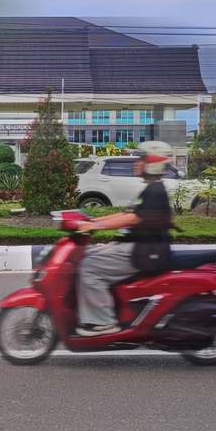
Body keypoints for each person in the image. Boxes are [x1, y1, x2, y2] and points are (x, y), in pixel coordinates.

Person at [74, 141, 175, 336]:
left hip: (145, 251)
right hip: (137, 246)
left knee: (88, 267)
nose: (136, 163)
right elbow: (126, 214)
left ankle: (104, 322)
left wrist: (96, 226)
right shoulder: (151, 189)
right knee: (86, 254)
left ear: (152, 164)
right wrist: (91, 220)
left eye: (141, 159)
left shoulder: (155, 191)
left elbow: (133, 218)